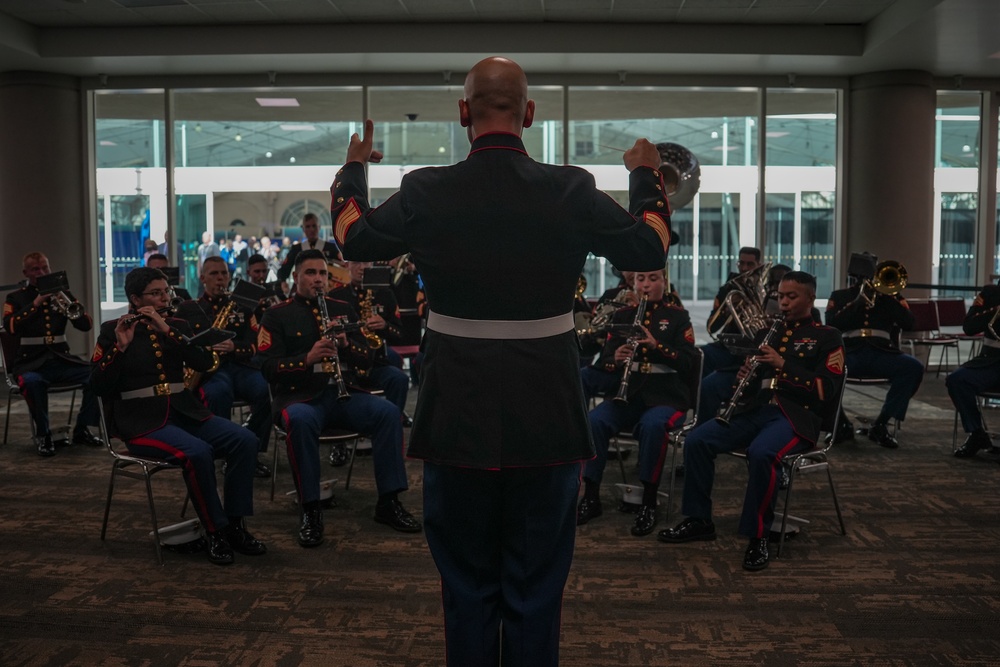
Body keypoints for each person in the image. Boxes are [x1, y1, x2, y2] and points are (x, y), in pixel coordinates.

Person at [331, 56, 670, 667]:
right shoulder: (572, 189)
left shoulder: (425, 190)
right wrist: (647, 178)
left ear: (463, 114)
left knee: (465, 580)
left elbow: (352, 237)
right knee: (537, 582)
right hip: (548, 406)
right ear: (530, 115)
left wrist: (354, 167)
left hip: (455, 405)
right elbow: (649, 246)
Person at [658, 271, 844, 572]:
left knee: (761, 453)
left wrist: (783, 365)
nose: (782, 302)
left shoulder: (827, 337)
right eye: (780, 296)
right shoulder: (765, 333)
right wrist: (745, 377)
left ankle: (758, 536)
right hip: (755, 411)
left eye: (791, 297)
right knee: (697, 440)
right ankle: (698, 519)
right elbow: (753, 383)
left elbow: (825, 390)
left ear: (810, 298)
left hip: (795, 417)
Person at [90, 267, 266, 565]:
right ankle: (216, 532)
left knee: (245, 440)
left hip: (185, 411)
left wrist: (169, 331)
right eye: (156, 293)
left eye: (166, 291)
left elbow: (204, 362)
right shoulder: (112, 329)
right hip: (142, 422)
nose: (164, 298)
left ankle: (236, 525)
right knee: (198, 452)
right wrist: (120, 348)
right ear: (135, 298)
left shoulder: (176, 323)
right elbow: (96, 385)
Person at [256, 250, 421, 548]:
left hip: (344, 394)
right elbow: (267, 368)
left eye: (322, 273)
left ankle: (389, 501)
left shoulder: (342, 307)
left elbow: (368, 359)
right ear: (295, 278)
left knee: (387, 413)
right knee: (301, 422)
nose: (317, 279)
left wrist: (346, 345)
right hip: (301, 398)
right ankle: (310, 509)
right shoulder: (277, 314)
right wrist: (306, 358)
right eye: (310, 273)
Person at [576, 267, 696, 536]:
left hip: (665, 397)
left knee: (653, 426)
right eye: (641, 279)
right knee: (595, 420)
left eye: (653, 279)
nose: (646, 285)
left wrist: (658, 347)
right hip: (628, 395)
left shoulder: (677, 317)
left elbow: (689, 362)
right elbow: (604, 361)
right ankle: (591, 496)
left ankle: (649, 502)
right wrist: (615, 359)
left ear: (664, 282)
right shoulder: (622, 316)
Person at [174, 257, 272, 478]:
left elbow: (257, 343)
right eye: (214, 274)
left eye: (224, 274)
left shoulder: (243, 307)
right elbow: (179, 345)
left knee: (266, 389)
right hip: (210, 370)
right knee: (218, 394)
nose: (220, 279)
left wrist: (234, 346)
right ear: (202, 278)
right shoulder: (188, 309)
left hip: (239, 365)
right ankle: (225, 451)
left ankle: (251, 445)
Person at [2, 252, 102, 455]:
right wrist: (36, 303)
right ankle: (44, 435)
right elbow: (10, 326)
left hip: (61, 360)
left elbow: (86, 325)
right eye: (36, 269)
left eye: (45, 268)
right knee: (32, 383)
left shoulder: (62, 293)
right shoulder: (16, 297)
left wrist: (69, 306)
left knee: (97, 375)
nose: (42, 272)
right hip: (30, 362)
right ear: (26, 273)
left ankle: (83, 429)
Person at [825, 252, 922, 448]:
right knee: (823, 369)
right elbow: (832, 325)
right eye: (861, 276)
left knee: (913, 368)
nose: (866, 280)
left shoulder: (891, 298)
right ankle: (840, 423)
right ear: (853, 276)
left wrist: (889, 298)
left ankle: (881, 423)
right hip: (850, 352)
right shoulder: (840, 296)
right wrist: (855, 305)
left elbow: (910, 323)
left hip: (882, 352)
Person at [329, 260, 410, 415]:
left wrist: (385, 325)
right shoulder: (335, 296)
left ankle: (393, 419)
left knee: (400, 379)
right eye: (356, 263)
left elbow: (400, 335)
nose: (361, 268)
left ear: (372, 265)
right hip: (347, 366)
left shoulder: (385, 294)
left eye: (366, 263)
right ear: (347, 266)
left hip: (376, 364)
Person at [947, 283, 1000, 460]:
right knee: (957, 380)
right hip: (989, 362)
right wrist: (996, 311)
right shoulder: (990, 293)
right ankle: (976, 433)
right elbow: (969, 327)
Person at [701, 246, 764, 376]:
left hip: (754, 350)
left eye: (750, 264)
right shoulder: (727, 290)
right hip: (730, 348)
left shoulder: (765, 290)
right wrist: (727, 310)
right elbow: (711, 327)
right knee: (700, 354)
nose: (744, 268)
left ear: (759, 264)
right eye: (741, 263)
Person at [275, 213, 342, 291]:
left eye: (314, 226)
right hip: (302, 288)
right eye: (308, 226)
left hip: (325, 288)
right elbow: (284, 269)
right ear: (303, 229)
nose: (311, 230)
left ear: (319, 227)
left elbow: (341, 268)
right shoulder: (296, 249)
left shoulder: (330, 248)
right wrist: (283, 282)